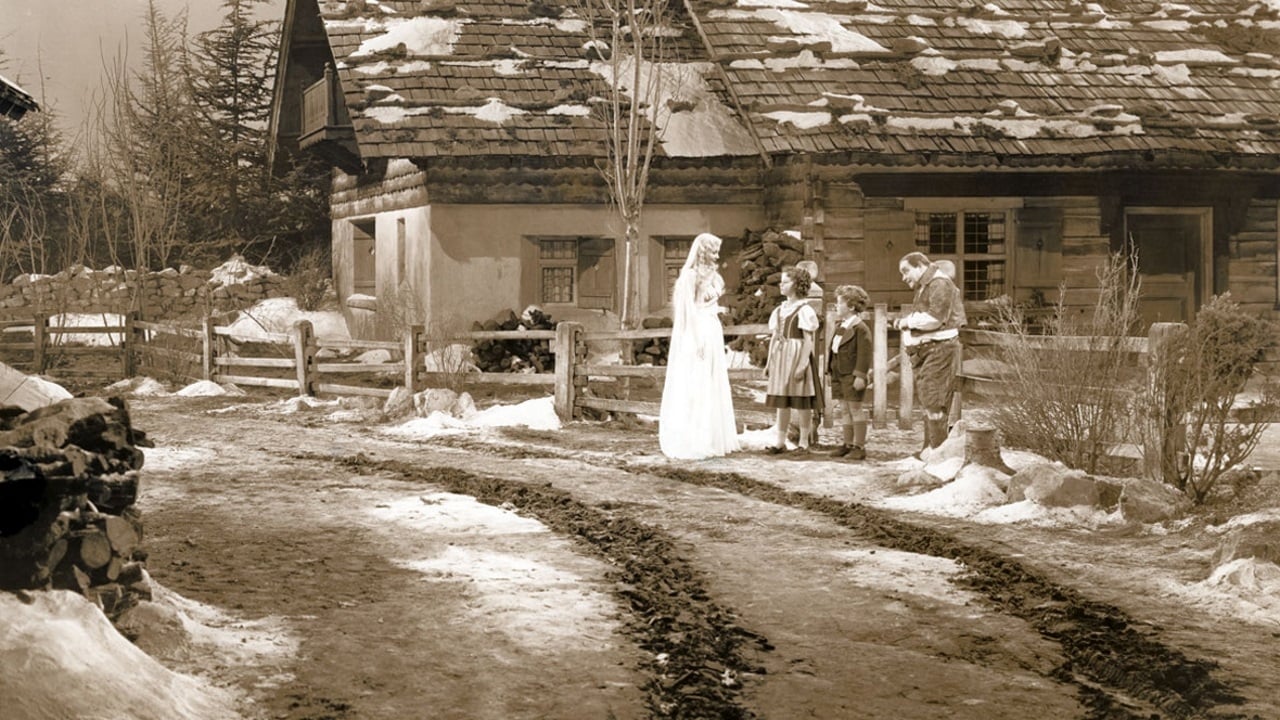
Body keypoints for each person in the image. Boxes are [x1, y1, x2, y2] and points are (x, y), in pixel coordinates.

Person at [659, 232, 739, 459]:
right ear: (703, 252)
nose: (716, 256)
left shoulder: (715, 277)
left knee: (713, 379)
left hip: (712, 329)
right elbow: (689, 312)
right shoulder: (690, 276)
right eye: (713, 252)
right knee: (697, 380)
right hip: (697, 330)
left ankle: (713, 436)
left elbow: (711, 304)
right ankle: (696, 436)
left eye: (717, 252)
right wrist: (696, 339)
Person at [894, 251, 965, 453]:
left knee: (934, 402)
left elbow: (935, 319)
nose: (904, 277)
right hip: (928, 350)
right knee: (929, 400)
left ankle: (938, 454)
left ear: (920, 265)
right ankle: (930, 450)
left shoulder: (939, 283)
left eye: (906, 271)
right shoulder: (927, 285)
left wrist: (906, 322)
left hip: (938, 350)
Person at [764, 265, 819, 455]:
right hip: (781, 358)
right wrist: (769, 362)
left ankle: (804, 442)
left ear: (796, 285)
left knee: (802, 400)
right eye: (781, 282)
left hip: (797, 356)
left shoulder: (804, 309)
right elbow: (774, 337)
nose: (781, 285)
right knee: (782, 401)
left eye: (785, 282)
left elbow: (809, 340)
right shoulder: (780, 309)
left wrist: (803, 365)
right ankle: (780, 442)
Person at [827, 284, 872, 459]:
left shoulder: (860, 328)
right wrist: (829, 370)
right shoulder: (841, 325)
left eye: (839, 303)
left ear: (851, 307)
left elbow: (864, 354)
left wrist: (860, 375)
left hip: (852, 375)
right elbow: (834, 349)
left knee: (855, 408)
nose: (836, 306)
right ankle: (847, 444)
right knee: (844, 409)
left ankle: (859, 447)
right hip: (839, 373)